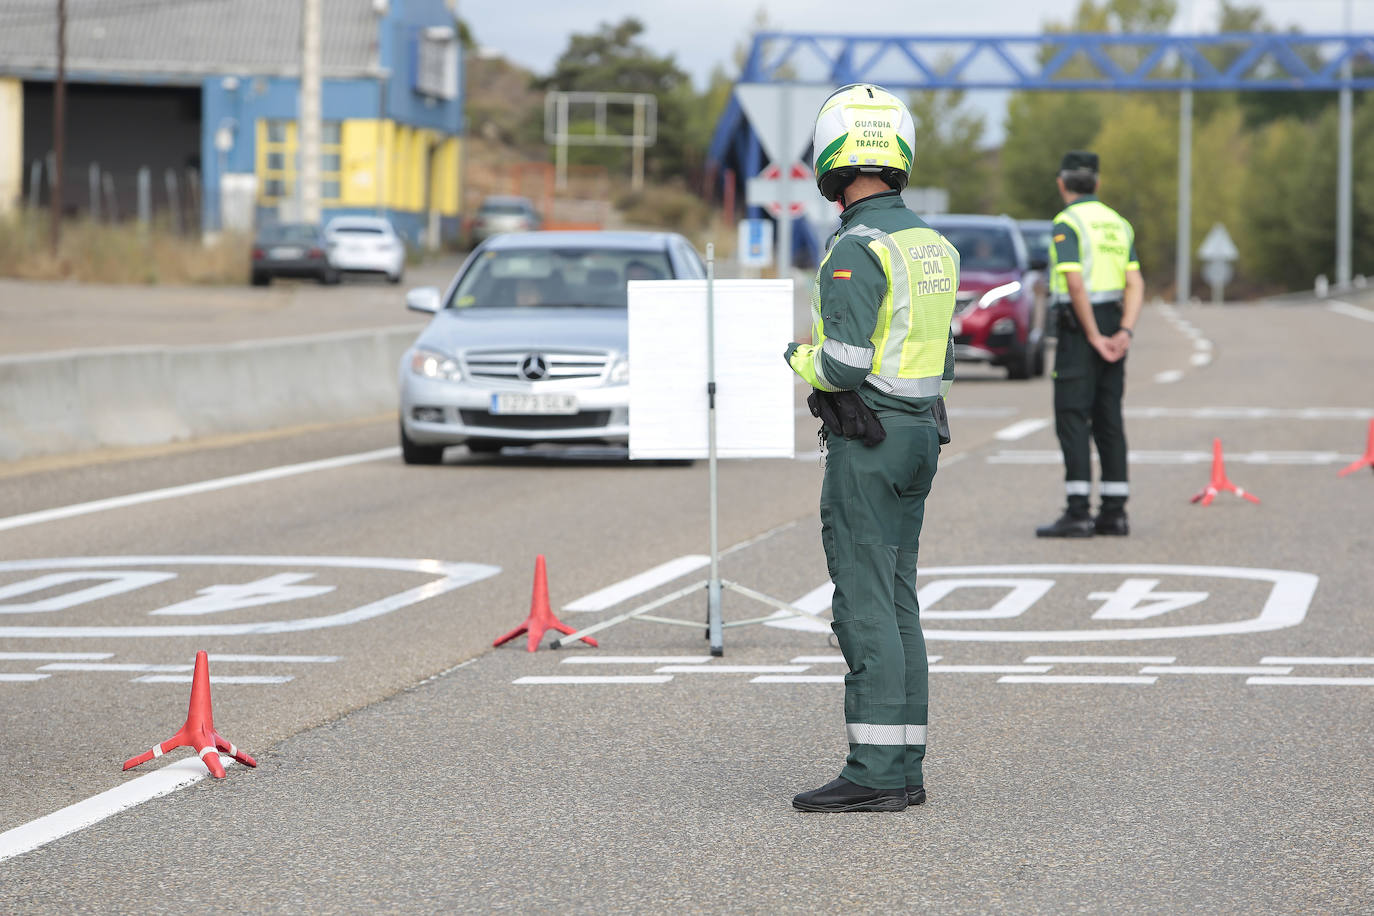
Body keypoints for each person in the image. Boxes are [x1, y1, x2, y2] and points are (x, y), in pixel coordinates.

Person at [784, 83, 958, 813]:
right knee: (898, 598)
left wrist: (797, 357)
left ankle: (877, 771)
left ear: (833, 155)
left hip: (870, 438)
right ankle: (906, 761)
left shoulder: (856, 247)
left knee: (863, 600)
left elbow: (845, 363)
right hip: (921, 433)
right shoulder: (931, 244)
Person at [1036, 151, 1144, 538]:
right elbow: (1135, 283)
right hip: (1115, 322)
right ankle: (1115, 512)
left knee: (1072, 416)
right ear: (1097, 183)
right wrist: (1124, 333)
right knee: (1109, 418)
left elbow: (1075, 282)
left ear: (1062, 183)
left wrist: (1094, 335)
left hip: (1080, 330)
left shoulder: (1067, 223)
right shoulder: (1119, 224)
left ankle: (1078, 511)